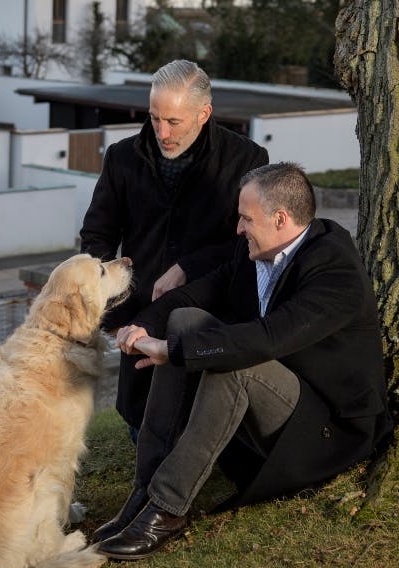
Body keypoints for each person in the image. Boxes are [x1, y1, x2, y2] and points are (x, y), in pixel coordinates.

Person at [93, 162, 393, 561]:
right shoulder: (255, 250)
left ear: (280, 218)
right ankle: (145, 491)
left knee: (233, 363)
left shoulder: (335, 269)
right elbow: (193, 296)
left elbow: (267, 339)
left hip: (325, 429)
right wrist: (141, 328)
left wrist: (172, 352)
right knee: (185, 322)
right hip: (275, 399)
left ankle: (167, 508)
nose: (237, 228)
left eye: (245, 218)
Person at [80, 60, 269, 435]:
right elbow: (97, 234)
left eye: (174, 122)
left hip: (210, 313)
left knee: (202, 420)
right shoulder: (121, 157)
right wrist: (110, 298)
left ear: (204, 113)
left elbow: (249, 242)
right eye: (154, 118)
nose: (162, 132)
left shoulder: (248, 160)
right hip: (140, 315)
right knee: (142, 421)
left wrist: (188, 264)